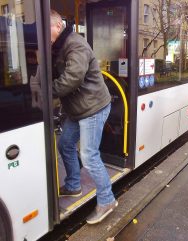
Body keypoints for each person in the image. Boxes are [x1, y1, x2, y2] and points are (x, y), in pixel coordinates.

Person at [50, 10, 117, 225]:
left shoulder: (74, 44)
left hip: (93, 107)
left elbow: (73, 78)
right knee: (65, 144)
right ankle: (73, 185)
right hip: (77, 109)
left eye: (46, 28)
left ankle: (107, 200)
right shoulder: (57, 46)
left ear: (58, 26)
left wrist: (47, 92)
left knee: (88, 155)